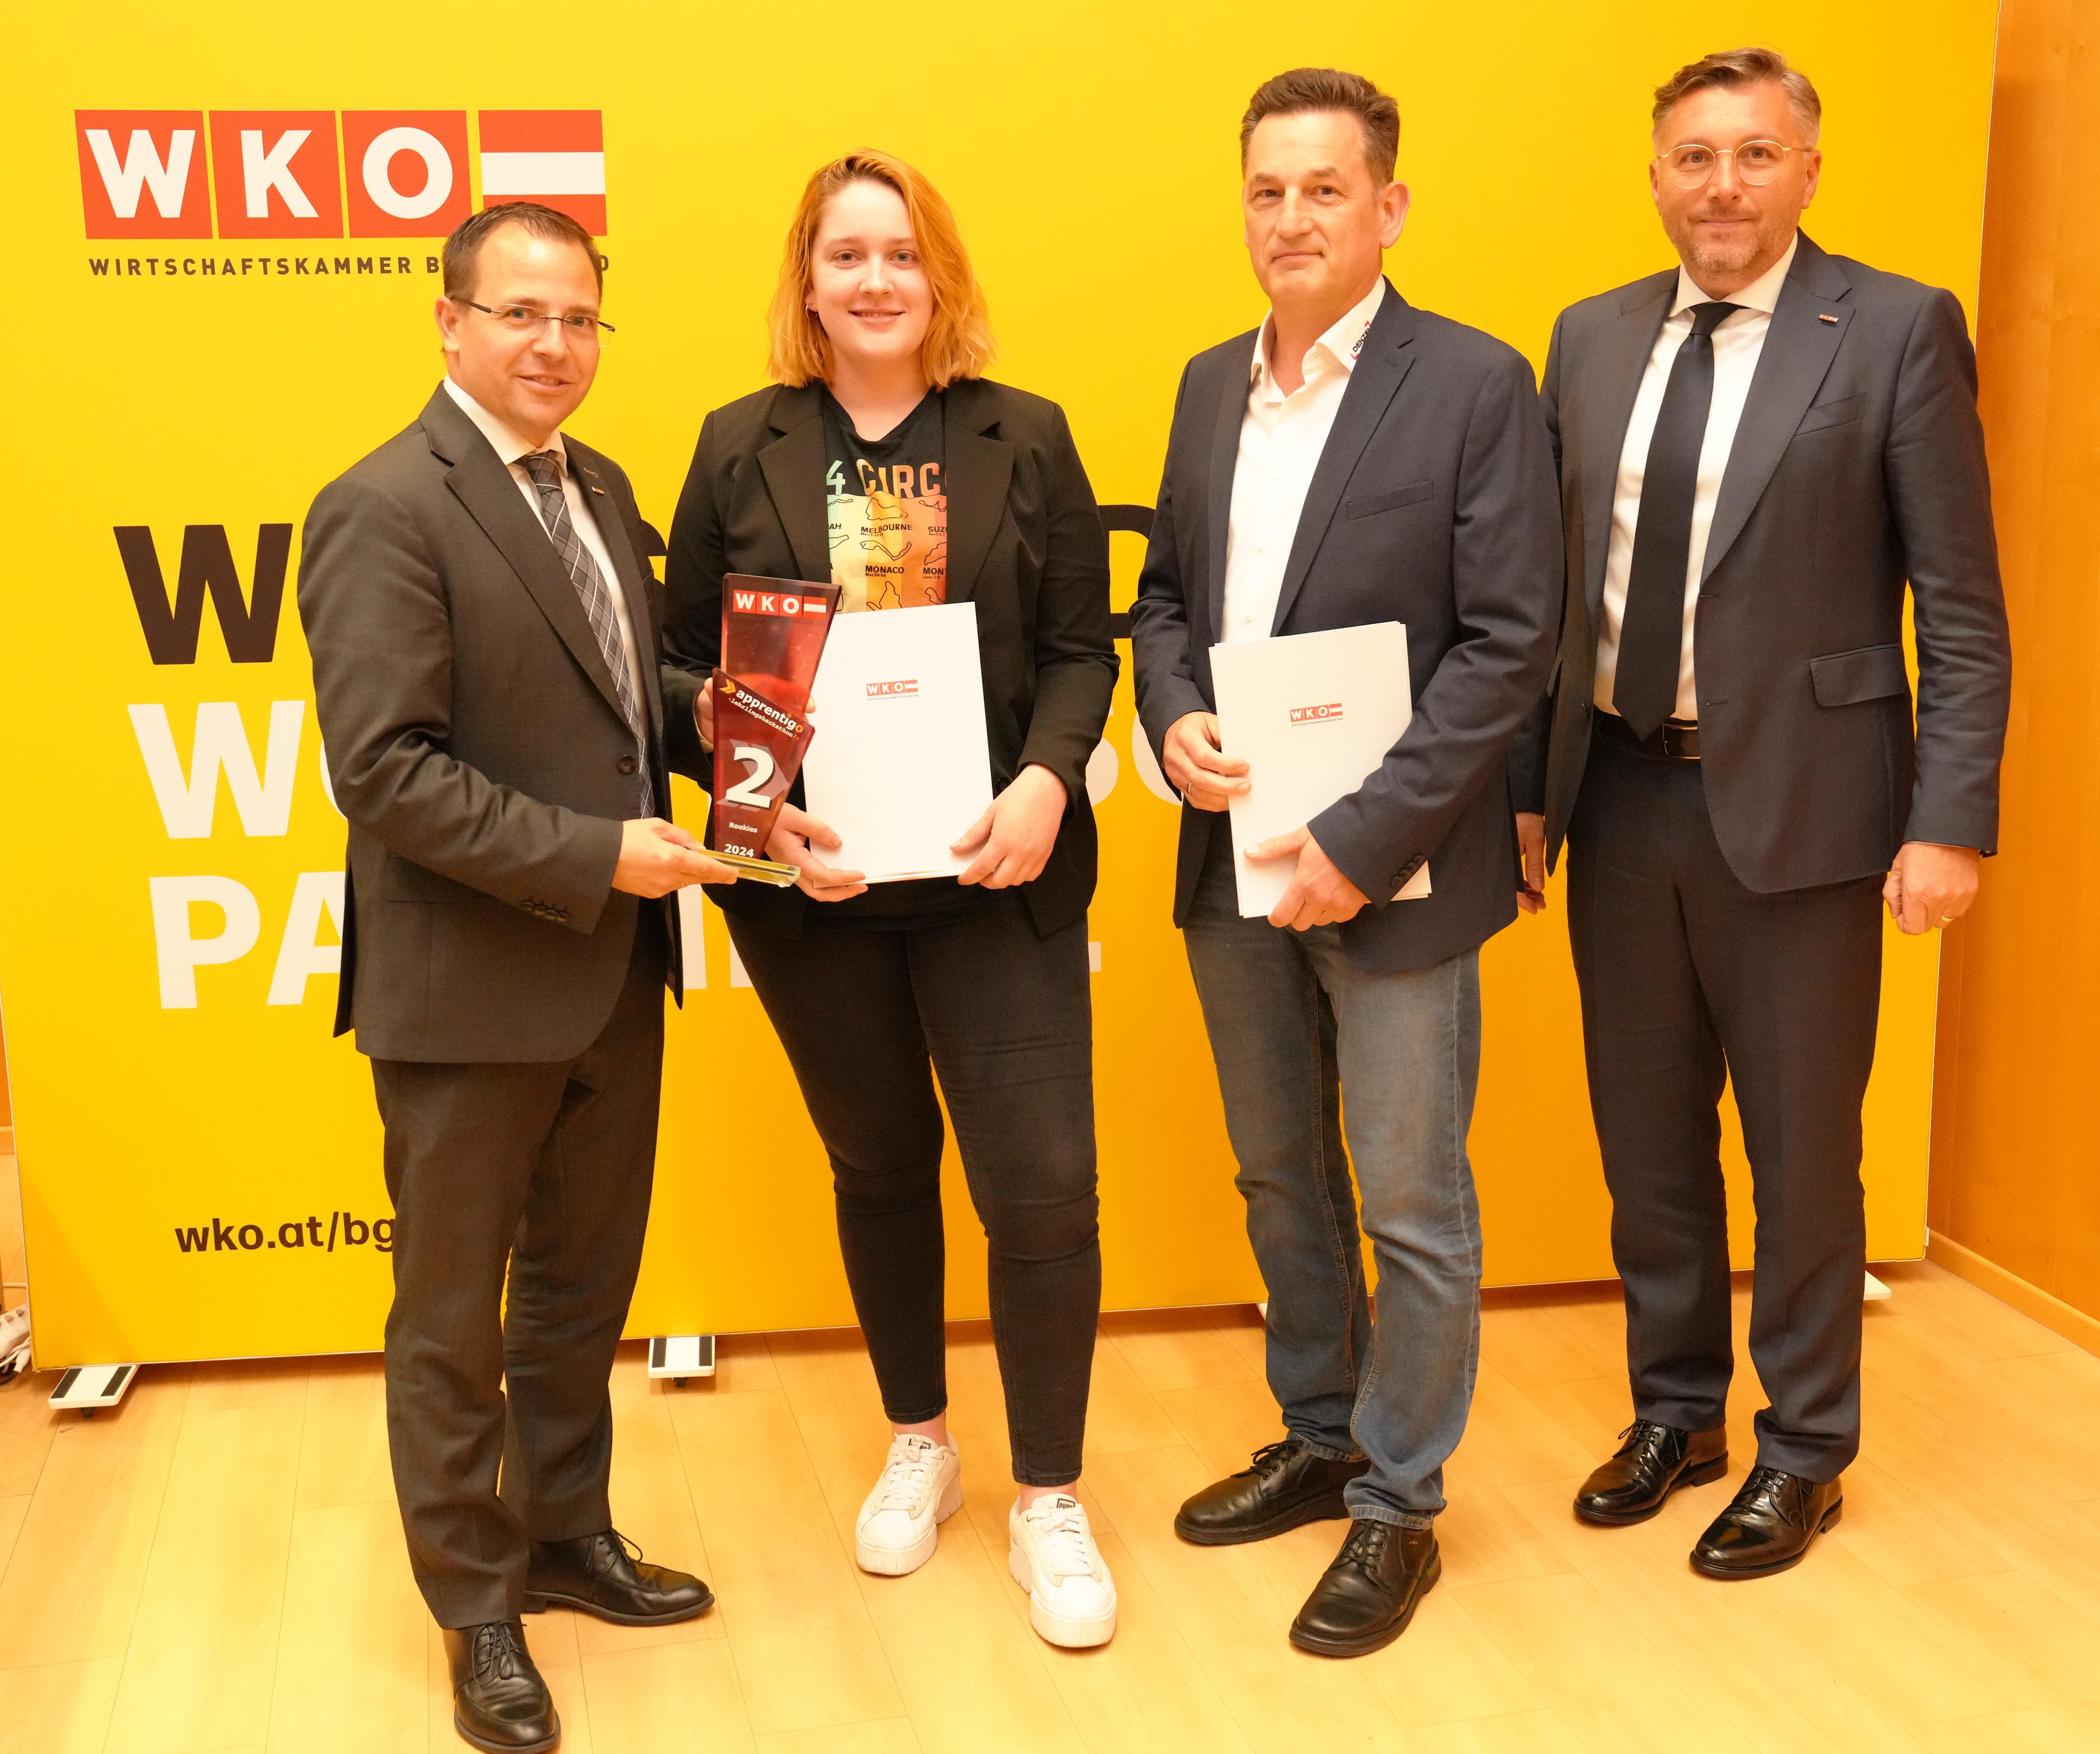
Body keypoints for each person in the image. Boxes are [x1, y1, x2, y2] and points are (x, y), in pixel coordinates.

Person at [1509, 47, 2011, 1578]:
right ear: (1656, 175)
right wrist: (1529, 794)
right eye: (1693, 156)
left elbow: (1962, 608)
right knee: (1647, 1139)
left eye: (1752, 154)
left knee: (1801, 1152)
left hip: (1809, 812)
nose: (1720, 186)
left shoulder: (1897, 328)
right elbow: (1549, 602)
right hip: (1619, 794)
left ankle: (1805, 1446)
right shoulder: (1590, 336)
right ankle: (1677, 1411)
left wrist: (1950, 818)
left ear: (1806, 169)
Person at [662, 151, 1122, 1648]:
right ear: (808, 282)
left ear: (941, 276)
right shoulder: (738, 446)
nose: (876, 280)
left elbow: (1083, 648)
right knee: (878, 1166)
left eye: (902, 254)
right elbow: (680, 671)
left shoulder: (1023, 434)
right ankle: (920, 1437)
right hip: (818, 888)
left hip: (998, 875)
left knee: (1042, 1188)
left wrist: (1049, 779)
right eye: (847, 254)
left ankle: (1049, 1492)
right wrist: (758, 800)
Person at [1130, 69, 1560, 1656]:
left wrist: (1365, 845)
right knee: (1278, 1171)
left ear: (1390, 206)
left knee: (1412, 1195)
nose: (1292, 218)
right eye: (1267, 191)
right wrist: (1171, 712)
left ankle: (1399, 1496)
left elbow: (1509, 645)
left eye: (1325, 189)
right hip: (1233, 854)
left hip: (1396, 871)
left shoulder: (1475, 384)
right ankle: (1319, 1431)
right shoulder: (1205, 384)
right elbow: (1164, 601)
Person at [300, 202, 733, 1753]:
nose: (556, 345)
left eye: (581, 319)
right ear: (450, 321)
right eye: (522, 314)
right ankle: (477, 1605)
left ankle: (565, 1531)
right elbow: (387, 772)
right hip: (471, 982)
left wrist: (720, 719)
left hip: (612, 972)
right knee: (451, 1317)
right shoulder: (380, 505)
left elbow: (615, 696)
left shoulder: (596, 483)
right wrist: (598, 856)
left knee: (580, 1285)